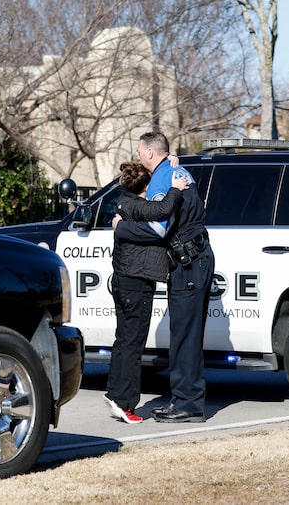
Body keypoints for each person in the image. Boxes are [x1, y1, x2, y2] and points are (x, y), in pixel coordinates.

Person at [115, 131, 215, 423]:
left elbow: (158, 230)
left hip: (188, 263)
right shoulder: (176, 169)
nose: (136, 157)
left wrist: (121, 227)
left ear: (149, 152)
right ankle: (187, 400)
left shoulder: (161, 177)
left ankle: (187, 404)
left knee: (184, 334)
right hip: (197, 257)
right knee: (189, 334)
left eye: (138, 152)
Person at [103, 161, 188, 424]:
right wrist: (175, 188)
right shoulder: (137, 205)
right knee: (133, 343)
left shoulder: (125, 202)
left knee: (124, 339)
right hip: (135, 281)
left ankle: (116, 394)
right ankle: (125, 403)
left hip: (126, 280)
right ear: (146, 187)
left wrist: (171, 161)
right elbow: (162, 209)